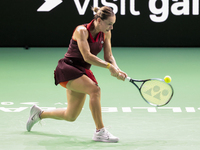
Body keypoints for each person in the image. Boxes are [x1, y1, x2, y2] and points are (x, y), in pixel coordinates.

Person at [26, 6, 127, 143]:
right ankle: (100, 131)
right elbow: (87, 56)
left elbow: (109, 56)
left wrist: (117, 69)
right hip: (68, 68)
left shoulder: (106, 32)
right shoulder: (81, 31)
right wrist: (109, 67)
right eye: (109, 24)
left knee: (70, 115)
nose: (111, 27)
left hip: (82, 71)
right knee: (95, 90)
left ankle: (39, 114)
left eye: (113, 24)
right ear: (98, 20)